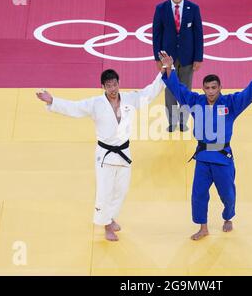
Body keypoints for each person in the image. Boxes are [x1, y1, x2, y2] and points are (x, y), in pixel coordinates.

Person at [36, 69, 165, 241]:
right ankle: (106, 226)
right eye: (109, 85)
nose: (113, 88)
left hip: (124, 152)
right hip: (105, 154)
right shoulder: (95, 104)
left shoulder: (129, 99)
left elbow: (149, 93)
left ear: (119, 84)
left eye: (115, 84)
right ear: (102, 86)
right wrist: (53, 101)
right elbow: (74, 108)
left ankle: (110, 218)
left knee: (121, 190)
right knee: (105, 191)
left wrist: (164, 71)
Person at [158, 51, 252, 240]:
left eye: (214, 88)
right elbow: (178, 89)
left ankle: (228, 217)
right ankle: (203, 227)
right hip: (202, 158)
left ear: (220, 88)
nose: (210, 91)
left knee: (227, 194)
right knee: (198, 194)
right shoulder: (195, 102)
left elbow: (247, 95)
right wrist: (168, 68)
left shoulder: (230, 103)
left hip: (223, 157)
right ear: (202, 89)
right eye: (207, 88)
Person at [152, 0, 203, 132]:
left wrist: (198, 57)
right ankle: (172, 121)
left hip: (188, 56)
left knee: (185, 89)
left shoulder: (193, 8)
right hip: (168, 58)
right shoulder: (161, 8)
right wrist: (157, 58)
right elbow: (157, 34)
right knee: (170, 90)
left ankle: (183, 121)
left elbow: (198, 34)